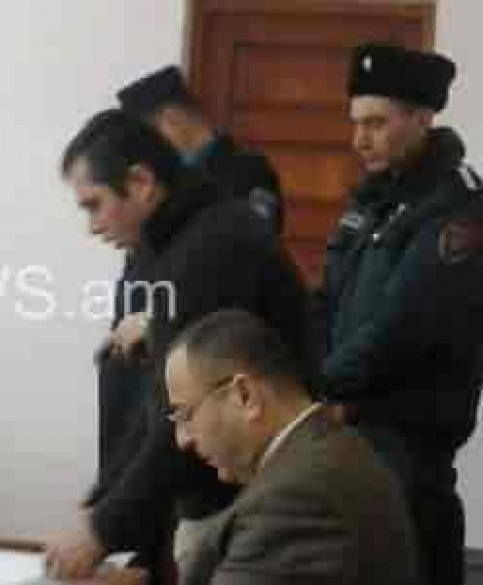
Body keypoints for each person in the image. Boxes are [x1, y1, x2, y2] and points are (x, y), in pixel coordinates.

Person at [44, 109, 311, 582]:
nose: (92, 226)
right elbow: (151, 401)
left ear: (141, 182)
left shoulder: (213, 247)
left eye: (94, 205)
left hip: (246, 499)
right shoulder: (160, 242)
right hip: (200, 492)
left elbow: (187, 416)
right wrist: (104, 500)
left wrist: (103, 528)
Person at [320, 43, 483, 585]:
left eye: (376, 123)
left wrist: (317, 389)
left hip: (408, 441)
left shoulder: (457, 209)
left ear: (422, 118)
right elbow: (327, 298)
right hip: (350, 425)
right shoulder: (373, 199)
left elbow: (401, 328)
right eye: (355, 123)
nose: (358, 140)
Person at [165, 309, 420, 585]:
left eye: (186, 414)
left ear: (244, 396)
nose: (182, 439)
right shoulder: (324, 451)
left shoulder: (296, 499)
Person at [117, 65, 283, 234]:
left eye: (149, 137)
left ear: (171, 120)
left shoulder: (248, 170)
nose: (148, 149)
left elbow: (256, 237)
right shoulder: (172, 178)